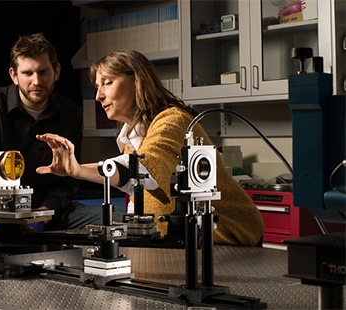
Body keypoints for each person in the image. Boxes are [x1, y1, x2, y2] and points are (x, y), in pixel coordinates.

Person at [36, 50, 265, 246]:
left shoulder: (171, 121)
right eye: (97, 86)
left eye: (107, 83)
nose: (98, 95)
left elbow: (139, 169)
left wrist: (76, 170)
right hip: (184, 239)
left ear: (137, 81)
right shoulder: (132, 134)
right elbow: (146, 192)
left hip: (230, 235)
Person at [0, 33, 83, 233]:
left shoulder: (71, 114)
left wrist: (42, 216)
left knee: (114, 220)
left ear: (57, 71)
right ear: (14, 75)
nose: (36, 81)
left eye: (43, 71)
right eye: (27, 73)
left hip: (52, 217)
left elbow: (68, 181)